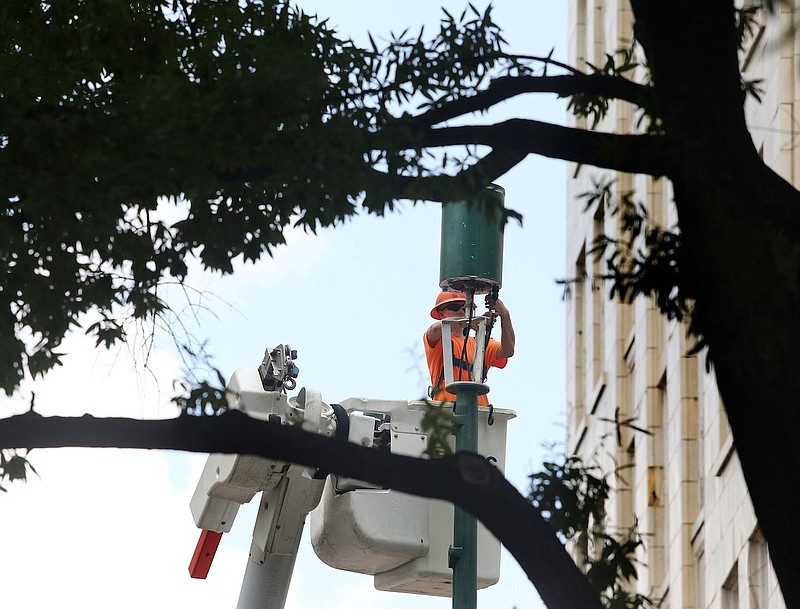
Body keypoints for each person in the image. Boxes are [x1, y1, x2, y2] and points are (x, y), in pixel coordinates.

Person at [423, 290, 515, 406]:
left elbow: (508, 350)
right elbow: (434, 330)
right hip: (446, 414)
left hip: (478, 415)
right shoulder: (440, 341)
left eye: (466, 308)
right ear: (441, 314)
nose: (461, 311)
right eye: (454, 307)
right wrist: (468, 322)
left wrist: (504, 314)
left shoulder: (479, 343)